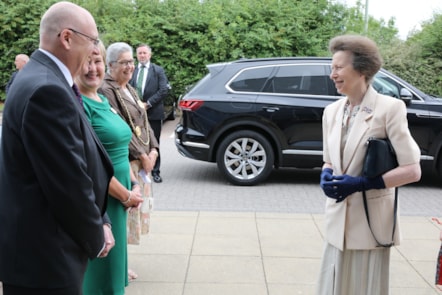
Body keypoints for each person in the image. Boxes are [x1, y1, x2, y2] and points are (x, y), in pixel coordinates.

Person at [0, 2, 114, 295]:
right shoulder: (46, 90)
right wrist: (96, 235)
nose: (94, 50)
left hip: (39, 255)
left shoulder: (41, 79)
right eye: (92, 41)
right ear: (66, 38)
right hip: (45, 262)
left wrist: (101, 217)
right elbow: (67, 181)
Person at [317, 34, 422, 295]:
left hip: (370, 223)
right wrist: (326, 173)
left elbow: (413, 170)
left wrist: (365, 183)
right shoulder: (331, 111)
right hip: (336, 221)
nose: (333, 74)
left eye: (339, 67)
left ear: (362, 70)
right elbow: (329, 158)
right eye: (332, 68)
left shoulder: (390, 109)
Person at [76, 42, 144, 294]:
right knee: (101, 273)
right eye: (86, 62)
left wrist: (134, 183)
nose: (93, 69)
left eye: (97, 62)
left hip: (122, 194)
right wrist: (126, 195)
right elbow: (91, 164)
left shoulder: (104, 99)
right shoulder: (80, 105)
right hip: (106, 197)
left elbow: (119, 147)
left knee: (115, 267)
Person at [99, 41, 159, 281]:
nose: (130, 67)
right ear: (110, 65)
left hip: (142, 162)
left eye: (132, 62)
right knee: (121, 217)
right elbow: (121, 128)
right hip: (128, 162)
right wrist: (142, 155)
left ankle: (122, 265)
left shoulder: (130, 89)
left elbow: (144, 120)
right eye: (124, 63)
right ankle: (118, 268)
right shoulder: (107, 89)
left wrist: (154, 149)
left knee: (130, 217)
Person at [130, 44, 169, 183]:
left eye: (144, 53)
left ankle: (155, 171)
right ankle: (140, 170)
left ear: (150, 55)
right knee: (137, 143)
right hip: (135, 114)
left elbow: (163, 90)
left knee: (154, 143)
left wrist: (148, 104)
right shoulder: (132, 70)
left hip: (153, 112)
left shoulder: (158, 70)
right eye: (139, 53)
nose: (142, 55)